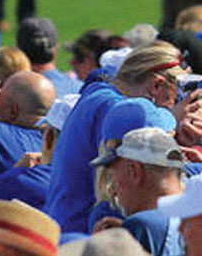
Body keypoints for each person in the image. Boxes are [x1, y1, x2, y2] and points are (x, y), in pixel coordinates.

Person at [45, 40, 182, 233]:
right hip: (83, 232)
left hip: (69, 224)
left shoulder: (99, 93)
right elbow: (132, 177)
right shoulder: (115, 107)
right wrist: (174, 119)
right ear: (156, 86)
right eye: (174, 97)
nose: (171, 104)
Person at [89, 125, 186, 256]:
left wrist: (99, 249)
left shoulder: (143, 225)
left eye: (114, 176)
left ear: (134, 171)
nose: (113, 191)